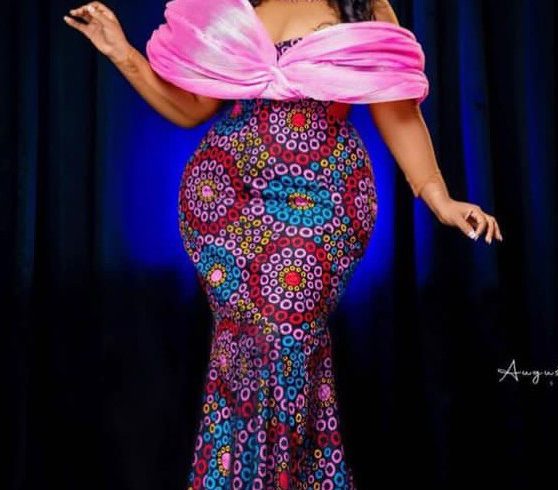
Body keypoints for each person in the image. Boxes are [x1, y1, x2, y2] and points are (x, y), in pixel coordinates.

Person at [64, 1, 503, 488]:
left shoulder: (365, 6)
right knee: (246, 350)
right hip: (225, 199)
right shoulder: (241, 6)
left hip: (322, 195)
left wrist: (438, 197)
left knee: (288, 334)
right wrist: (122, 53)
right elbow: (193, 108)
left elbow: (398, 110)